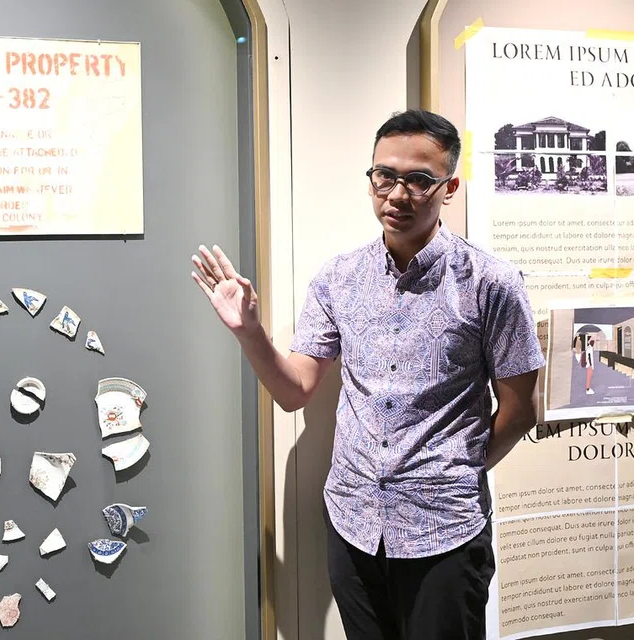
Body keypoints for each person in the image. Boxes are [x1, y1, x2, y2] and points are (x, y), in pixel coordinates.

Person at [191, 109, 544, 640]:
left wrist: (457, 471)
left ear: (449, 187)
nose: (397, 194)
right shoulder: (339, 278)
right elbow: (295, 391)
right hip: (354, 522)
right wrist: (249, 332)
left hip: (444, 531)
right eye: (385, 176)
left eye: (419, 180)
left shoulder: (491, 282)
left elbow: (520, 410)